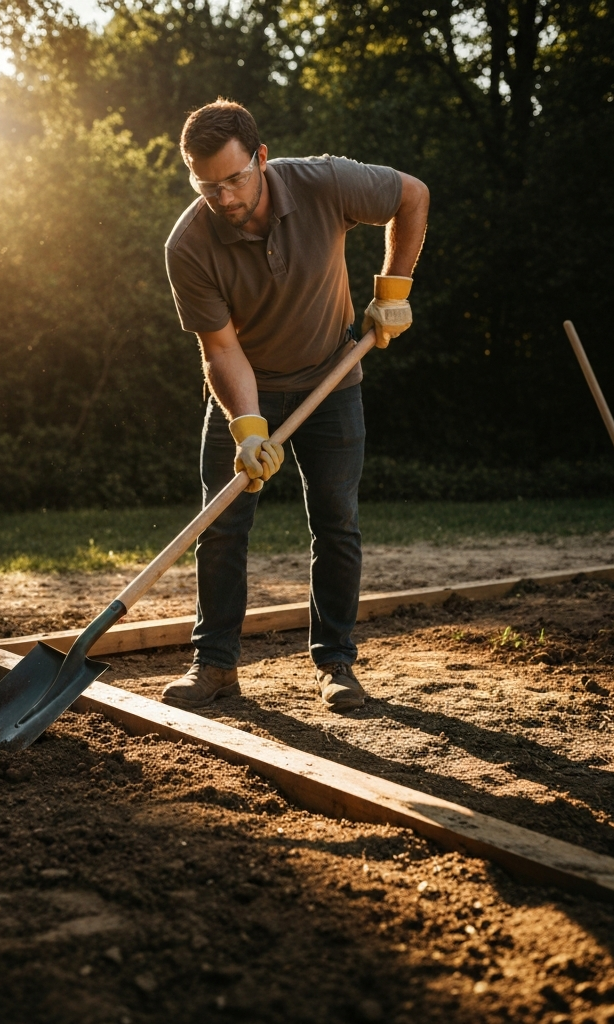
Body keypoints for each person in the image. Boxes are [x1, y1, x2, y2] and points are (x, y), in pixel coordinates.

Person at [161, 98, 429, 713]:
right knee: (222, 526)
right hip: (247, 387)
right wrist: (249, 428)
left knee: (336, 521)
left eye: (234, 179)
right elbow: (221, 349)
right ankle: (215, 665)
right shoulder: (189, 245)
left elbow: (411, 196)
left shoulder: (322, 181)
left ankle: (336, 663)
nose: (224, 197)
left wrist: (393, 290)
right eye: (207, 185)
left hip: (332, 379)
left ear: (261, 157)